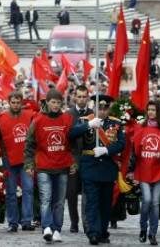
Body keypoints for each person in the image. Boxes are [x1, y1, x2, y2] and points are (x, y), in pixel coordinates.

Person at [24, 89, 85, 243]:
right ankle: (46, 227)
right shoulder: (37, 120)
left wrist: (74, 162)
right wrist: (29, 164)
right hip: (44, 166)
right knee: (46, 199)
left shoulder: (67, 119)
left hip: (63, 167)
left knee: (59, 201)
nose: (56, 105)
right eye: (53, 102)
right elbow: (29, 144)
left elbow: (74, 144)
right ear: (47, 102)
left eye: (58, 102)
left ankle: (57, 229)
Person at [77, 94, 125, 245]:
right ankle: (93, 233)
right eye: (100, 108)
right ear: (94, 107)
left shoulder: (116, 124)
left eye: (105, 108)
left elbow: (121, 144)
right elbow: (71, 134)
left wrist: (106, 150)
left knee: (105, 204)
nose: (102, 111)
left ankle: (103, 231)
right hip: (90, 166)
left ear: (109, 108)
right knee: (92, 202)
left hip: (107, 168)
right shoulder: (86, 120)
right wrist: (89, 125)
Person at [127, 101, 160, 246]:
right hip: (143, 170)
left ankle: (152, 234)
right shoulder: (141, 129)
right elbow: (134, 152)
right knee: (147, 200)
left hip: (159, 171)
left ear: (158, 112)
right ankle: (143, 228)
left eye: (153, 110)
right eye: (149, 109)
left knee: (155, 203)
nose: (151, 112)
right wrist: (130, 170)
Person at [0, 91, 35, 232]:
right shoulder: (1, 119)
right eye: (13, 102)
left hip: (26, 159)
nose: (15, 105)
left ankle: (26, 221)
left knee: (28, 190)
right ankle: (12, 223)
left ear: (22, 103)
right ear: (9, 102)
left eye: (18, 102)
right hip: (9, 159)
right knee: (11, 192)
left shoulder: (30, 116)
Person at [67, 85, 93, 233]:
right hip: (73, 158)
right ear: (75, 97)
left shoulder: (92, 114)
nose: (82, 99)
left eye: (84, 96)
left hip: (88, 157)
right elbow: (68, 135)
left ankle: (86, 222)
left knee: (87, 192)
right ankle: (74, 222)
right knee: (71, 193)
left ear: (88, 97)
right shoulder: (69, 114)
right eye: (80, 96)